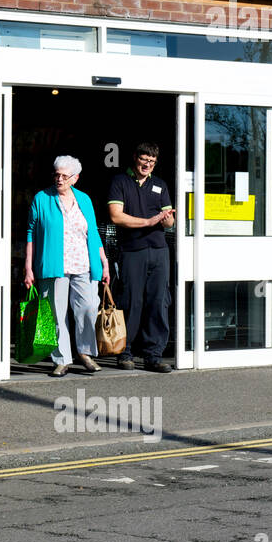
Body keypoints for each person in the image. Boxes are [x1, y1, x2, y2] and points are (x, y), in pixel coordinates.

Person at [24, 155, 110, 377]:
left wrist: (104, 261)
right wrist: (28, 266)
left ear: (75, 178)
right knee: (56, 312)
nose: (59, 179)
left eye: (64, 176)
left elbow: (93, 232)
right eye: (56, 174)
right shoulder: (42, 199)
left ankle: (85, 353)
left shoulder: (85, 199)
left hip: (84, 263)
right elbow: (31, 233)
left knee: (89, 308)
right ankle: (61, 359)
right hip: (54, 265)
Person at [108, 142, 175, 372]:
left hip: (159, 251)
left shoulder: (160, 185)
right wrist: (148, 222)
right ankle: (125, 353)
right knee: (131, 302)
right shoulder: (120, 182)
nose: (148, 165)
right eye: (145, 160)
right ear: (135, 157)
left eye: (152, 162)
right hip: (132, 250)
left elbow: (169, 221)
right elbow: (116, 216)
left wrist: (166, 220)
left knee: (158, 302)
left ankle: (153, 355)